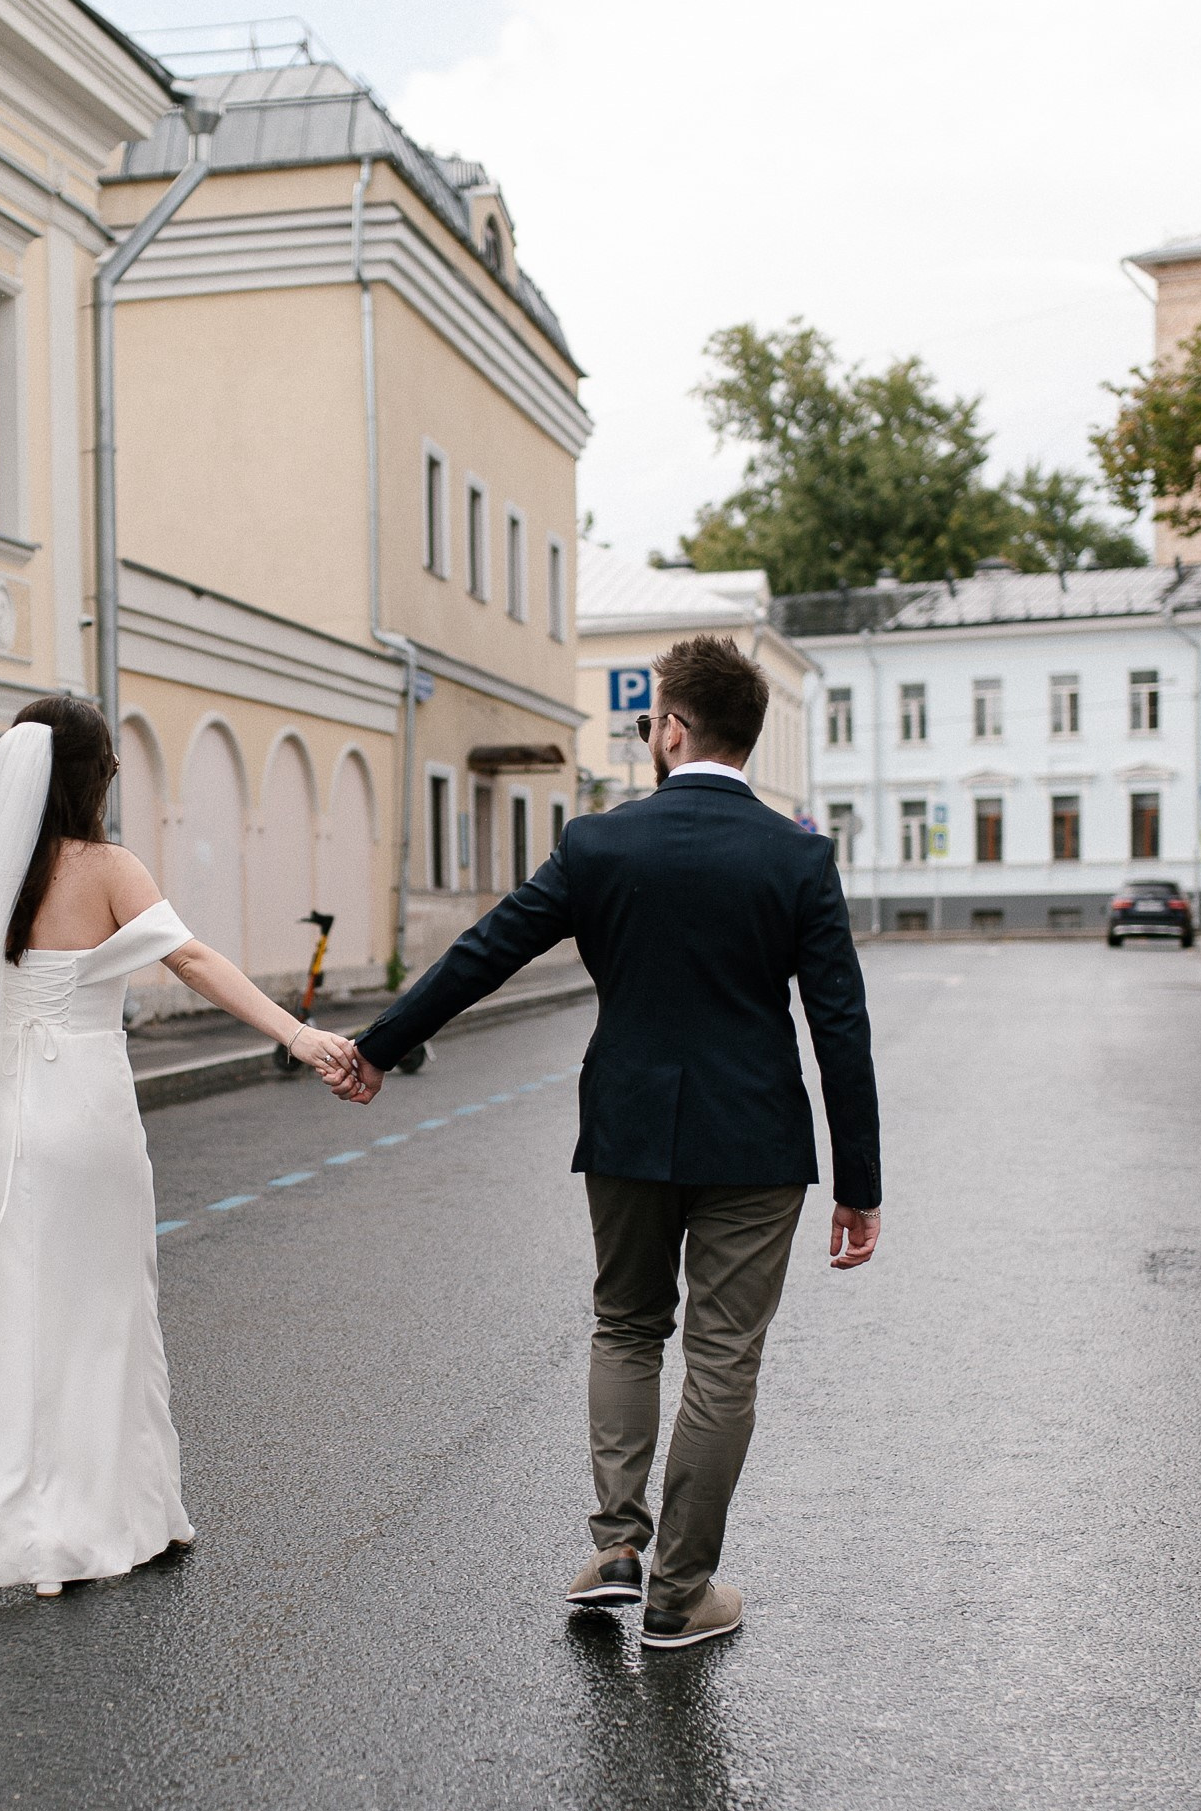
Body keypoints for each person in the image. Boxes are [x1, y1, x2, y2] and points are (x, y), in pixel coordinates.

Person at [332, 633, 881, 1651]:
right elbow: (836, 1020)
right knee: (722, 1361)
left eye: (646, 722)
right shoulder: (796, 856)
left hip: (625, 1124)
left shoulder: (597, 844)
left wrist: (378, 1046)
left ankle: (615, 1545)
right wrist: (859, 1180)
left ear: (671, 730)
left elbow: (485, 950)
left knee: (626, 1326)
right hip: (756, 1141)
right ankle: (679, 1591)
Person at [0, 698, 357, 1601]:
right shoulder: (107, 867)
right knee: (106, 1310)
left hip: (3, 1117)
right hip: (83, 1114)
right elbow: (189, 960)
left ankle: (1, 1510)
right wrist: (299, 1035)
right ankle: (113, 1519)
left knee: (12, 1313)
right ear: (92, 779)